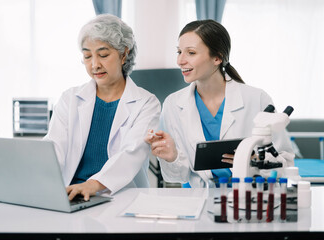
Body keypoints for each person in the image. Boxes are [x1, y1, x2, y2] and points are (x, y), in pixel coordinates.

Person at [145, 19, 294, 187]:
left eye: (191, 53)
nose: (180, 60)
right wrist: (172, 156)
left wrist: (253, 159)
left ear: (217, 57)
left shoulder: (257, 99)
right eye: (179, 52)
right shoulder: (173, 104)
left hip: (247, 195)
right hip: (196, 198)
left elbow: (286, 162)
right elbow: (177, 177)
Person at [44, 14, 160, 200]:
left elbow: (132, 153)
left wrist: (93, 184)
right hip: (73, 194)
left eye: (103, 55)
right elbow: (53, 148)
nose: (95, 64)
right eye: (87, 56)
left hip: (121, 196)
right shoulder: (70, 99)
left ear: (124, 54)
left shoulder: (146, 103)